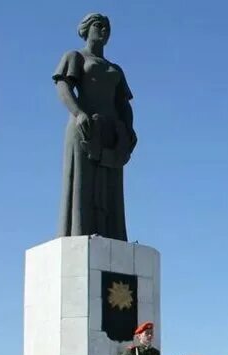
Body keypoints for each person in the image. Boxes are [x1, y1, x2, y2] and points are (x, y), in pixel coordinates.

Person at [53, 13, 137, 241]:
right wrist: (78, 113)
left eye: (107, 27)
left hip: (112, 133)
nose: (104, 30)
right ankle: (80, 234)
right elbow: (63, 87)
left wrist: (129, 129)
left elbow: (123, 104)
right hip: (85, 129)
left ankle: (114, 238)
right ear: (86, 29)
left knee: (112, 189)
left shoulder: (115, 69)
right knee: (83, 184)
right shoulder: (75, 57)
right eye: (99, 25)